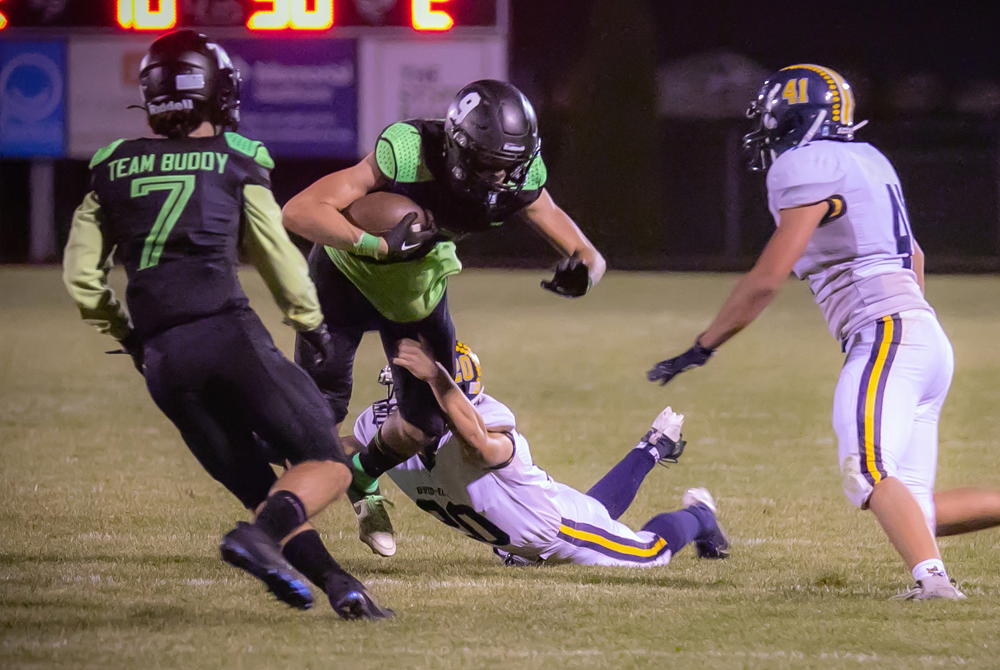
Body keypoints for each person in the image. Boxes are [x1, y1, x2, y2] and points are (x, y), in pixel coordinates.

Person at [61, 30, 390, 619]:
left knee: (264, 491)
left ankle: (341, 585)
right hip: (226, 336)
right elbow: (278, 257)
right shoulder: (238, 158)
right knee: (329, 466)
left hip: (163, 360)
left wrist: (128, 335)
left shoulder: (111, 165)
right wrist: (310, 323)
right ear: (213, 93)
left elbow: (84, 279)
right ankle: (260, 543)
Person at [648, 64, 1000, 599]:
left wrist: (703, 345)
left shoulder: (806, 163)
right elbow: (916, 256)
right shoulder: (869, 157)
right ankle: (930, 574)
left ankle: (933, 585)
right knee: (914, 508)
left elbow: (769, 275)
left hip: (886, 334)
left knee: (867, 473)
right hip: (921, 336)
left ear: (795, 115)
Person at [281, 80, 607, 553]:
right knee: (313, 419)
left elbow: (574, 239)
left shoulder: (518, 173)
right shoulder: (410, 150)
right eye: (493, 166)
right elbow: (299, 210)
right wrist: (375, 244)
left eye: (511, 167)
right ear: (459, 150)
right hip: (345, 278)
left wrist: (587, 269)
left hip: (415, 291)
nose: (503, 180)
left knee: (424, 424)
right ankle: (288, 534)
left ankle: (362, 477)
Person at [344, 340, 728, 567]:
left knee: (650, 553)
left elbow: (478, 442)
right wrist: (365, 489)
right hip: (521, 532)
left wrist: (434, 376)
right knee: (595, 514)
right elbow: (346, 452)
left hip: (553, 530)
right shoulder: (380, 422)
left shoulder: (489, 425)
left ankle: (700, 513)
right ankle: (650, 448)